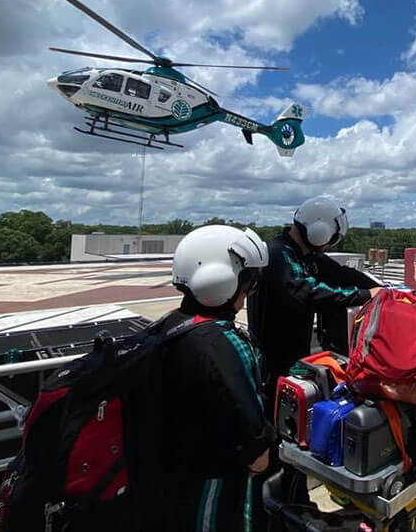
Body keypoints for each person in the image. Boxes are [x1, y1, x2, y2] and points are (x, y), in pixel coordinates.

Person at [247, 196, 379, 525]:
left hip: (293, 363)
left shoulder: (304, 255)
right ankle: (269, 516)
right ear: (320, 232)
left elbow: (341, 274)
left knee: (293, 446)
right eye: (331, 238)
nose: (329, 246)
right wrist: (364, 297)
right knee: (278, 448)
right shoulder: (279, 255)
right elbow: (304, 293)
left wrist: (383, 290)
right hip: (273, 367)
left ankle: (295, 504)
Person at [159, 224, 278, 531]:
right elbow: (255, 445)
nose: (248, 292)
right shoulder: (226, 343)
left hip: (167, 473)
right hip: (212, 483)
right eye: (247, 283)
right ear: (222, 279)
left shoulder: (168, 325)